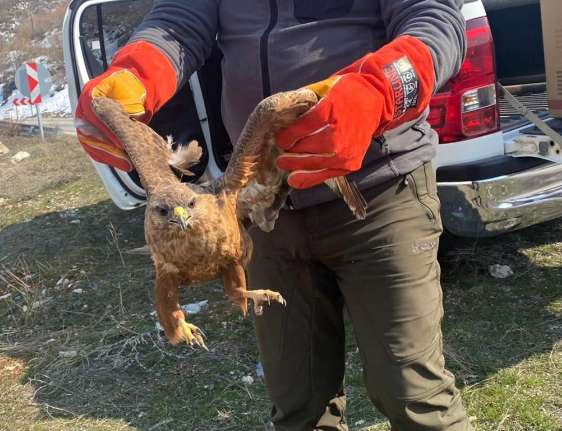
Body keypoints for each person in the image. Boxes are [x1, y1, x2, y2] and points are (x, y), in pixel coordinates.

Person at [75, 1, 470, 430]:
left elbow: (437, 21)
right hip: (263, 214)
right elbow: (178, 20)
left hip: (378, 191)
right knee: (299, 407)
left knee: (413, 398)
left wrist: (380, 90)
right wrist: (136, 72)